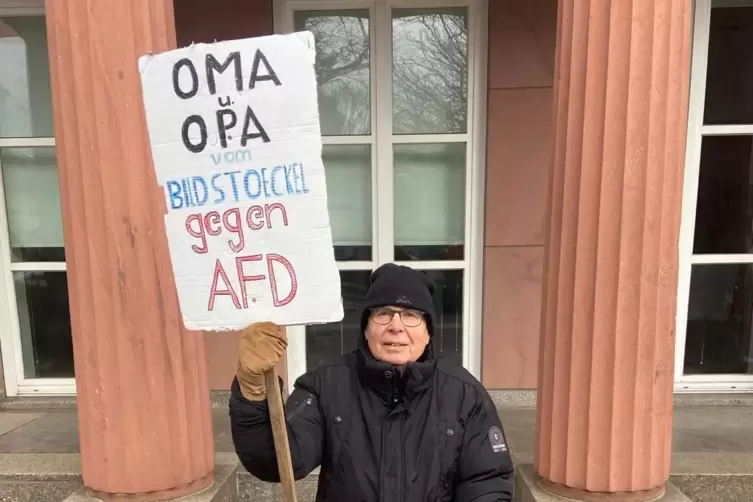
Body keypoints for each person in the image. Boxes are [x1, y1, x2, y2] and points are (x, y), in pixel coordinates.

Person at [229, 263, 515, 501]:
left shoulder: (464, 394)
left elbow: (488, 484)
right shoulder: (326, 385)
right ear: (366, 329)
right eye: (383, 313)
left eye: (411, 315)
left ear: (428, 333)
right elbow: (277, 462)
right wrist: (253, 388)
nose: (396, 325)